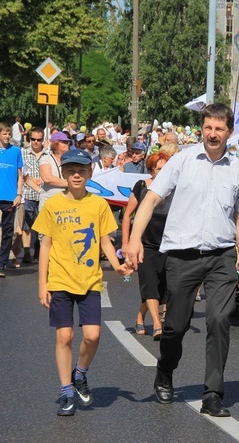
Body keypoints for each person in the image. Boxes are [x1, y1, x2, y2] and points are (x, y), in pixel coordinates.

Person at [124, 103, 239, 418]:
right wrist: (133, 239)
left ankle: (212, 394)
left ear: (229, 132)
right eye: (208, 128)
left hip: (221, 256)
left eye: (219, 129)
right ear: (202, 129)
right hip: (182, 256)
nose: (212, 134)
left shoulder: (238, 169)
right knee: (176, 326)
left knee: (219, 320)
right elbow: (151, 199)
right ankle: (165, 370)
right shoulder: (182, 161)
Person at [34, 149, 130, 415]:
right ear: (64, 174)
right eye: (71, 171)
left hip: (89, 281)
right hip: (60, 280)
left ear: (89, 173)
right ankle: (66, 390)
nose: (76, 175)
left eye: (82, 170)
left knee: (93, 335)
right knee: (65, 335)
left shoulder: (98, 204)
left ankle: (80, 373)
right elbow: (45, 246)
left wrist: (118, 266)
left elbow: (105, 240)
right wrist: (42, 284)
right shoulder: (53, 205)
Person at [122, 152, 172, 340]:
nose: (163, 172)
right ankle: (157, 325)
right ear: (151, 170)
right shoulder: (142, 186)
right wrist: (126, 243)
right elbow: (128, 215)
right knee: (150, 283)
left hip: (167, 245)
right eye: (159, 168)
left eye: (166, 168)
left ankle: (140, 316)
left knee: (163, 286)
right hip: (145, 245)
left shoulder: (174, 188)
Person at [0, 122, 23, 276]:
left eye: (9, 134)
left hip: (9, 197)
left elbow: (21, 175)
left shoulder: (16, 151)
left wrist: (19, 194)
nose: (7, 136)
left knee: (8, 232)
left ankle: (1, 264)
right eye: (4, 133)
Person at [21, 127, 45, 263]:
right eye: (33, 139)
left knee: (41, 226)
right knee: (27, 225)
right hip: (27, 193)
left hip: (43, 194)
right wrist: (30, 179)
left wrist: (43, 179)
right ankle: (26, 252)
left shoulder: (47, 155)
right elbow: (21, 173)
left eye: (38, 140)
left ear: (43, 140)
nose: (35, 142)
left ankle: (38, 247)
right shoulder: (23, 153)